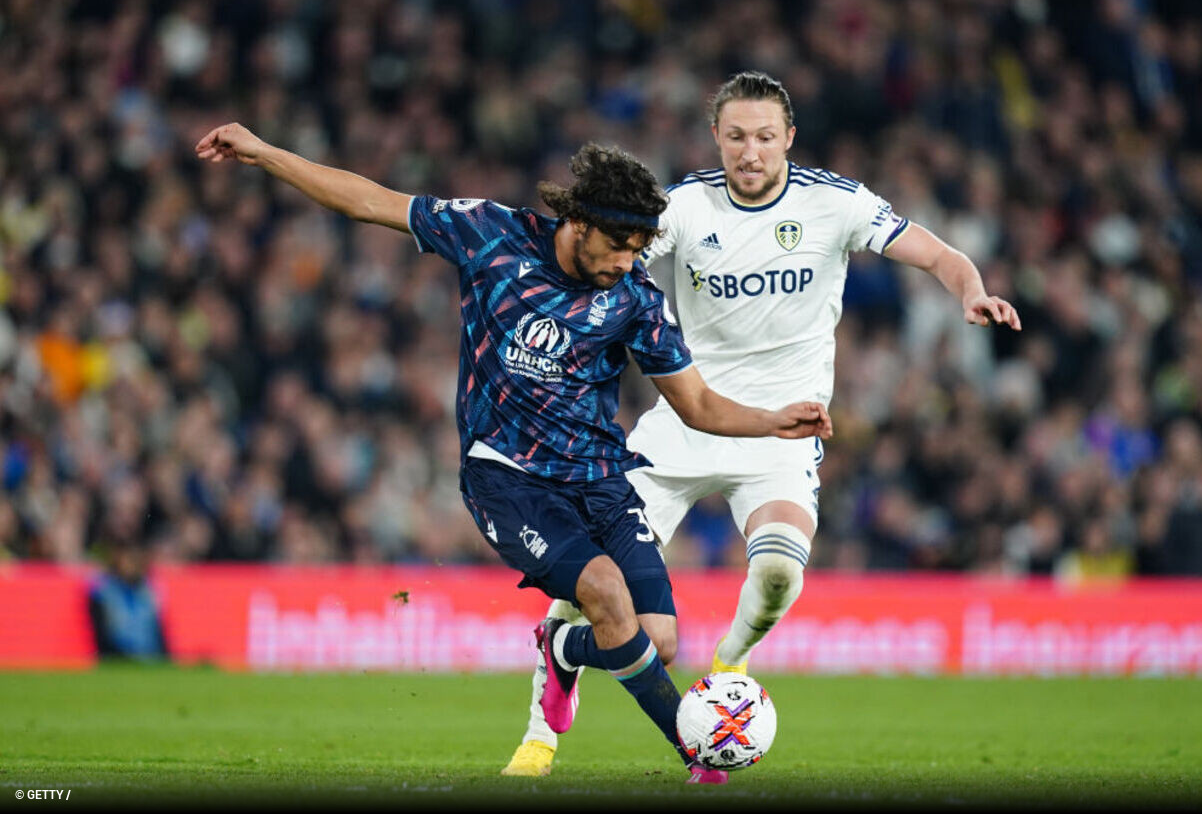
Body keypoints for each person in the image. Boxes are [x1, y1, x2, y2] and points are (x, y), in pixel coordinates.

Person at [194, 124, 833, 783]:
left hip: (602, 481)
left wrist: (772, 421)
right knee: (606, 593)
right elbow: (367, 200)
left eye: (639, 248)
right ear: (579, 221)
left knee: (659, 642)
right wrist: (266, 153)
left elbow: (697, 405)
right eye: (618, 244)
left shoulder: (636, 300)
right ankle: (697, 753)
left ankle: (562, 645)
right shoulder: (490, 236)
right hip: (509, 477)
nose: (625, 261)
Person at [503, 70, 1022, 777]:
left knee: (779, 573)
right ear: (716, 136)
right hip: (685, 421)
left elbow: (936, 252)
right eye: (738, 136)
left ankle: (729, 664)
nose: (751, 152)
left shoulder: (834, 204)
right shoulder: (682, 207)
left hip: (780, 430)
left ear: (789, 140)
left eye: (766, 138)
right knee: (587, 591)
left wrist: (974, 291)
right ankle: (543, 722)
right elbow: (607, 264)